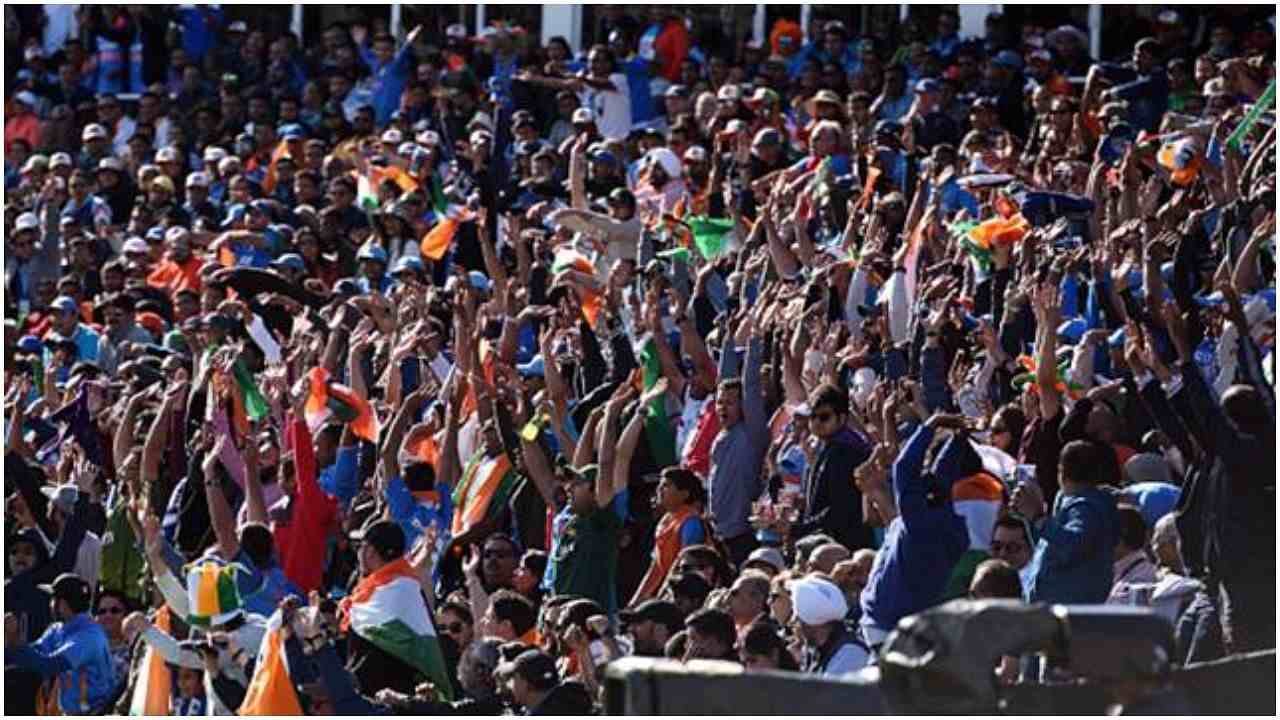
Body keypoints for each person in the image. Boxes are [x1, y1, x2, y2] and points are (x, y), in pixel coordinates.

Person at [5, 573, 115, 714]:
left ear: (62, 604)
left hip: (98, 712)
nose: (50, 604)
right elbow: (34, 652)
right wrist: (11, 642)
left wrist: (16, 643)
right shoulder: (58, 628)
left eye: (53, 599)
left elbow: (49, 665)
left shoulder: (89, 636)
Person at [789, 575, 869, 676]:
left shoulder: (850, 654)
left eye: (798, 617)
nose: (792, 621)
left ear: (810, 623)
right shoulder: (815, 650)